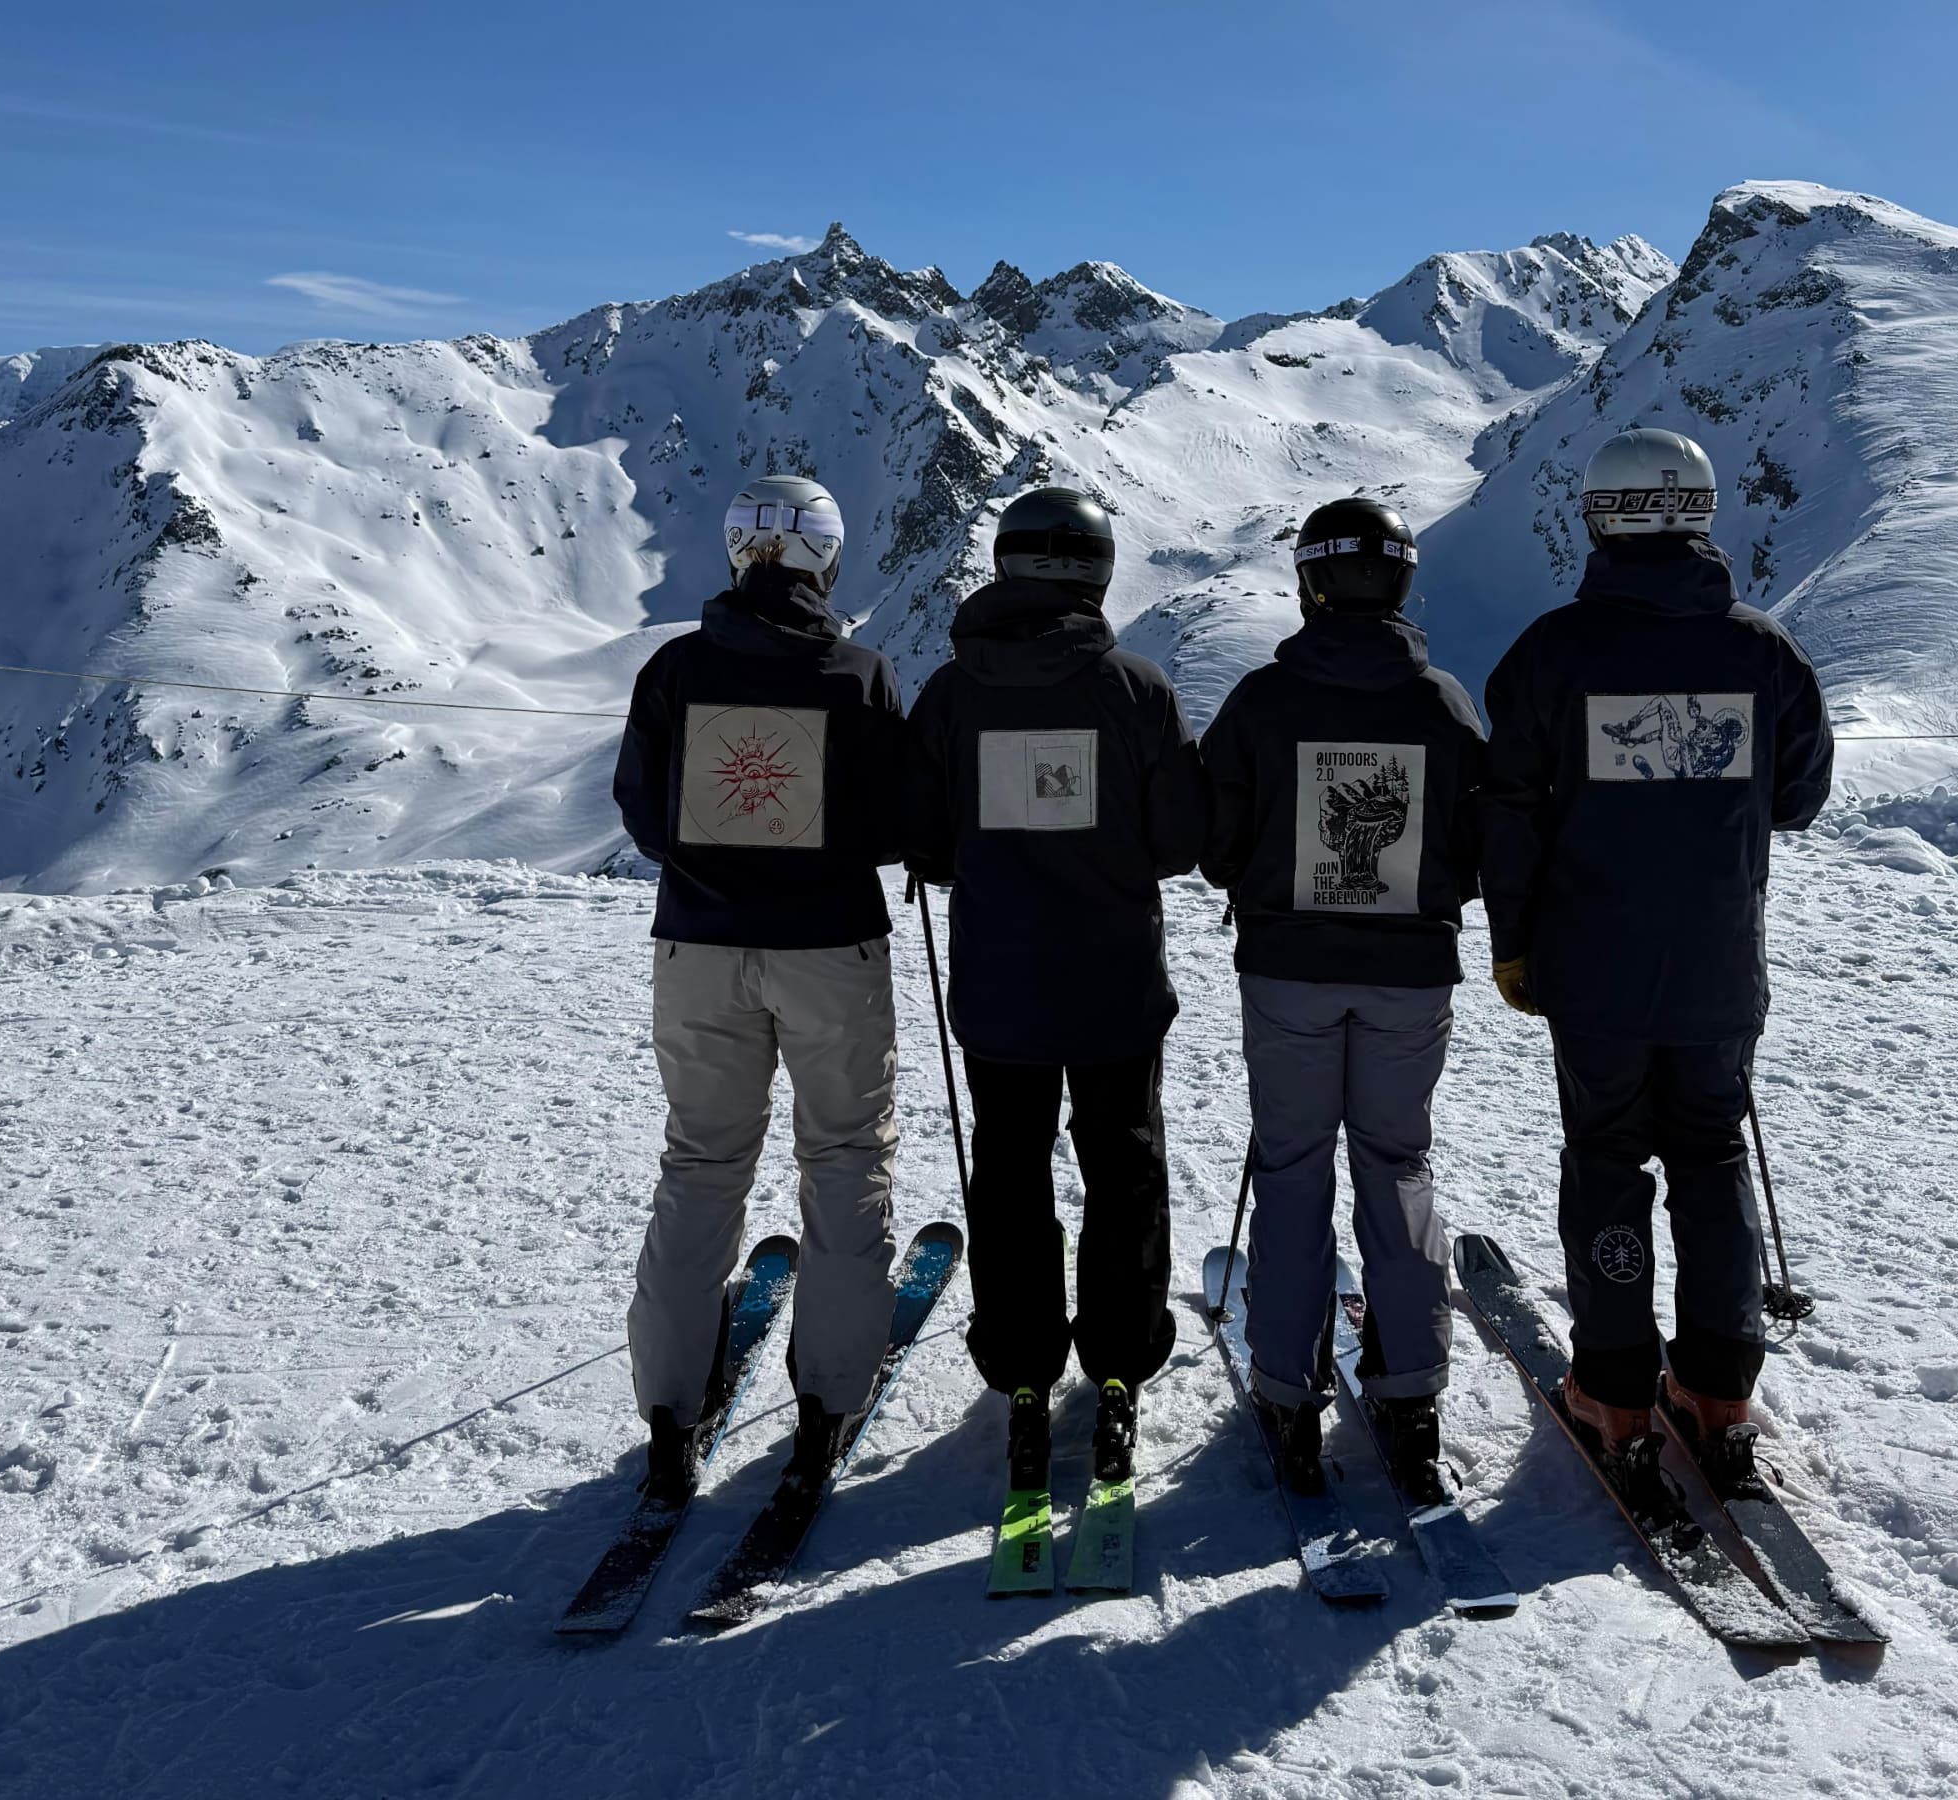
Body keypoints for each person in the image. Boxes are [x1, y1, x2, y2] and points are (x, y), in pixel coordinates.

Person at [1477, 427, 1834, 1483]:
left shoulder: (1552, 653)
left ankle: (1616, 1394)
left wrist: (1513, 946)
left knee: (1608, 1163)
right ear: (1703, 513)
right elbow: (1800, 800)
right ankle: (1720, 1389)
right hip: (1720, 968)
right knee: (1712, 1159)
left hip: (1592, 968)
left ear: (1596, 519)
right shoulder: (1763, 651)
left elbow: (1508, 814)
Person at [903, 486, 1209, 1493]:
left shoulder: (952, 695)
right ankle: (1119, 1363)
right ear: (1099, 569)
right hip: (1116, 982)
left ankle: (1023, 1373)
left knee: (1009, 1167)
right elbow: (1176, 843)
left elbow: (931, 847)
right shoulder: (1137, 691)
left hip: (1000, 986)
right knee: (1124, 1166)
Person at [613, 474, 907, 1504]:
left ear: (738, 555)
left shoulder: (674, 671)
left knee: (701, 1162)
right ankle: (828, 1403)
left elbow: (644, 817)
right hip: (830, 947)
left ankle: (666, 1413)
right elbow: (892, 822)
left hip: (698, 947)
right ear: (829, 558)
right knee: (843, 1160)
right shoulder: (860, 674)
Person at [1198, 497, 1487, 1504]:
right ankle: (1409, 1395)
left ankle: (1288, 1388)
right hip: (1411, 976)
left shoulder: (1263, 702)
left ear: (1310, 584)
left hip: (1287, 970)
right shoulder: (1443, 704)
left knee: (1291, 1169)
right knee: (1397, 1165)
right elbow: (1477, 846)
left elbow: (1216, 841)